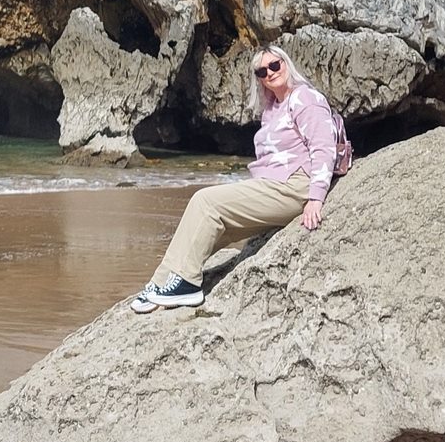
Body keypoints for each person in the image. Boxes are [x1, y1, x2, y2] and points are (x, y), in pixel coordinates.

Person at [130, 44, 341, 313]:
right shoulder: (272, 108)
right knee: (210, 228)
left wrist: (316, 198)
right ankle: (161, 283)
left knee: (205, 201)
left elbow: (323, 147)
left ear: (286, 64)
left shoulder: (305, 98)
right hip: (274, 184)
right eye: (262, 71)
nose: (270, 72)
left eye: (274, 65)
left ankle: (187, 285)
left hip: (295, 185)